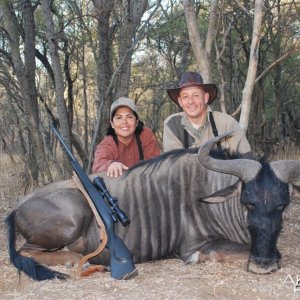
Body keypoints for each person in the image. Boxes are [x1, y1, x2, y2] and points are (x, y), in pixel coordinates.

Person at [163, 71, 252, 157]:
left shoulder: (227, 124)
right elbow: (173, 164)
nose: (191, 101)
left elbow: (247, 161)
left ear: (205, 98)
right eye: (185, 96)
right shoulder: (172, 124)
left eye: (196, 95)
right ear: (180, 101)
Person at [92, 97, 161, 177]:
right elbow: (97, 166)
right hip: (118, 187)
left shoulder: (146, 135)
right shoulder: (107, 143)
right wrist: (111, 164)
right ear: (112, 124)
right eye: (119, 118)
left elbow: (155, 165)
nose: (124, 122)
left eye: (129, 117)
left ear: (137, 121)